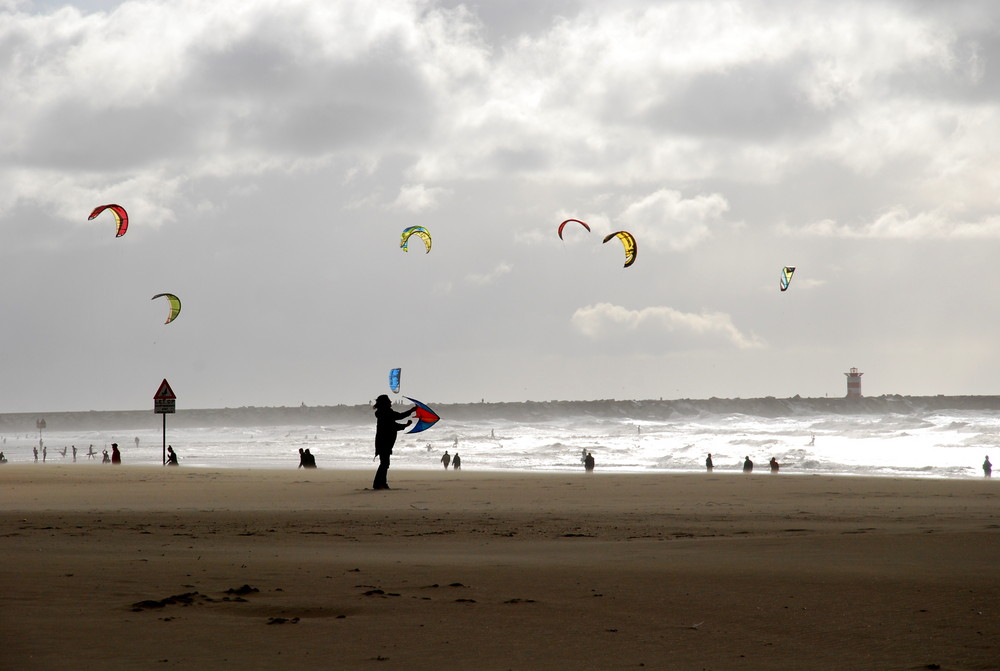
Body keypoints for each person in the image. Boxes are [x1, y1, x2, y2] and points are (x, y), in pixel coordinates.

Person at [372, 394, 415, 490]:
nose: (391, 402)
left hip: (383, 441)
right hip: (384, 442)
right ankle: (379, 484)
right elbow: (398, 417)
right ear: (385, 403)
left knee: (384, 463)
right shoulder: (385, 412)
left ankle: (380, 483)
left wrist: (405, 425)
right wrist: (411, 411)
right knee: (385, 463)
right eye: (389, 401)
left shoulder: (383, 413)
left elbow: (392, 425)